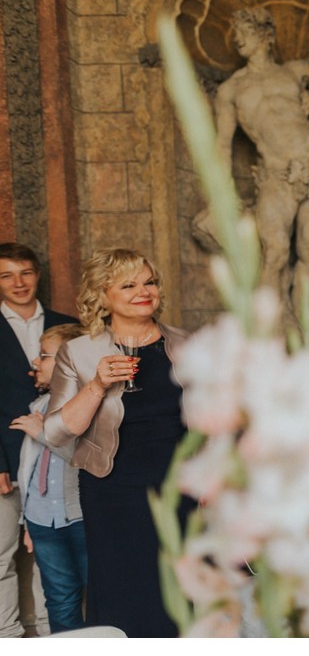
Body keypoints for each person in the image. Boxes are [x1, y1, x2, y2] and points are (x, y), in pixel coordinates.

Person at [43, 249, 192, 637]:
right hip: (114, 493)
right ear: (102, 296)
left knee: (183, 591)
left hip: (183, 489)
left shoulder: (188, 344)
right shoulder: (77, 351)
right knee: (125, 592)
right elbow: (56, 433)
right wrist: (96, 386)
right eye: (128, 284)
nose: (144, 291)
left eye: (149, 282)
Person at [214, 7, 309, 316]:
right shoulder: (231, 90)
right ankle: (269, 326)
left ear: (265, 35)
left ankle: (303, 323)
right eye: (236, 32)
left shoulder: (294, 71)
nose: (237, 38)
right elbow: (222, 146)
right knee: (275, 251)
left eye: (244, 32)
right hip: (275, 173)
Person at [0, 243, 76, 638]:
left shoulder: (68, 324)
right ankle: (7, 637)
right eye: (6, 275)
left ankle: (51, 637)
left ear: (38, 274)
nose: (18, 282)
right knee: (1, 557)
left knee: (51, 557)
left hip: (62, 462)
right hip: (8, 458)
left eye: (26, 272)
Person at [11, 323, 87, 633]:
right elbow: (28, 467)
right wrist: (28, 521)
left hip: (82, 518)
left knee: (99, 594)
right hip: (43, 520)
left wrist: (43, 433)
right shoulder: (38, 406)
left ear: (69, 361)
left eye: (44, 355)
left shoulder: (90, 406)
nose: (35, 362)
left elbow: (86, 459)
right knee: (59, 599)